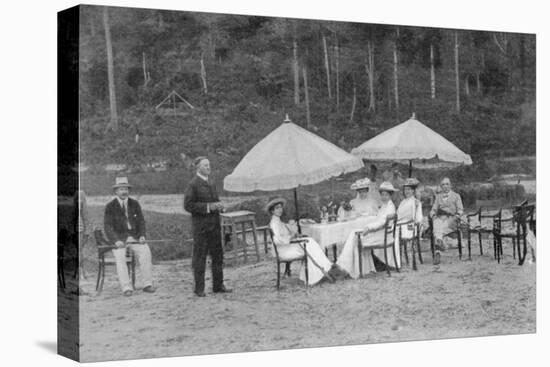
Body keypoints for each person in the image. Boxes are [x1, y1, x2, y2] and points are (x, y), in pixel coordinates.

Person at [184, 157, 232, 297]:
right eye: (205, 165)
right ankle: (199, 289)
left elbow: (215, 201)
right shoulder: (193, 184)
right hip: (201, 229)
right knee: (200, 258)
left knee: (218, 256)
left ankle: (218, 285)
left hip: (215, 226)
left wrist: (219, 206)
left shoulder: (211, 183)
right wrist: (208, 207)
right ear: (197, 167)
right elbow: (188, 205)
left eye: (209, 165)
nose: (208, 167)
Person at [104, 177, 155, 296]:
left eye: (126, 189)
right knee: (120, 256)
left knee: (146, 251)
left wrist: (142, 235)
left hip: (135, 238)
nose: (124, 192)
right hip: (120, 241)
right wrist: (116, 241)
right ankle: (126, 287)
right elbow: (108, 227)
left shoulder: (134, 203)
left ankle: (147, 284)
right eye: (121, 189)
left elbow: (141, 222)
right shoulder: (110, 206)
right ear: (116, 191)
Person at [336, 181, 398, 278]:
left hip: (383, 236)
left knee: (354, 235)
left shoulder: (390, 207)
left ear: (390, 195)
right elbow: (378, 219)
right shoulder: (385, 206)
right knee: (354, 234)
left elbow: (382, 222)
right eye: (382, 195)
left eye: (386, 195)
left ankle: (347, 267)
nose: (384, 197)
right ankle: (353, 267)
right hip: (381, 233)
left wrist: (369, 228)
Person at [268, 197, 333, 285]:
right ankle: (319, 273)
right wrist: (290, 238)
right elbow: (277, 240)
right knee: (309, 244)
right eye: (277, 208)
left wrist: (294, 234)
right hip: (282, 251)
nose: (280, 210)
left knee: (310, 241)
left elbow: (286, 232)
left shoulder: (278, 221)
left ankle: (320, 271)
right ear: (272, 211)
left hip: (286, 246)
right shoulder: (274, 223)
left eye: (280, 207)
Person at [430, 177, 464, 265]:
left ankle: (439, 249)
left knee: (437, 229)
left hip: (451, 220)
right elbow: (433, 210)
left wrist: (457, 216)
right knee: (436, 223)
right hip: (440, 218)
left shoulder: (456, 196)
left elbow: (460, 210)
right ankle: (440, 249)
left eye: (447, 184)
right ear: (441, 186)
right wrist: (433, 216)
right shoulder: (438, 197)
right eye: (443, 184)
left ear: (450, 185)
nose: (445, 186)